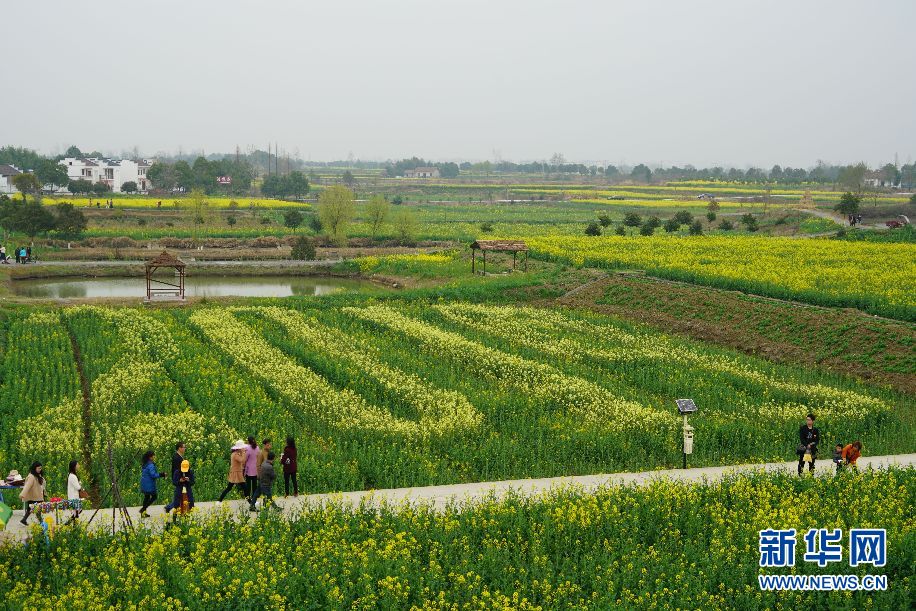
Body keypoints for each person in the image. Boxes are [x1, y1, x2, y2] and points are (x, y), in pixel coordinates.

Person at [163, 441, 186, 512]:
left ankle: (170, 507)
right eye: (184, 447)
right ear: (179, 448)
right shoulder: (177, 458)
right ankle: (170, 508)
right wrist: (180, 479)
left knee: (179, 495)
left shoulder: (179, 456)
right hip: (179, 479)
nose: (185, 448)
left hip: (180, 479)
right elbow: (177, 470)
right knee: (179, 495)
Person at [139, 451, 162, 518]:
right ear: (150, 457)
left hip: (144, 482)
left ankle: (143, 513)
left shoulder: (145, 463)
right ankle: (143, 510)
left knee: (146, 497)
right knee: (154, 497)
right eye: (153, 456)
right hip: (149, 483)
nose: (154, 457)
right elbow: (153, 475)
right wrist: (161, 474)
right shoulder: (150, 465)